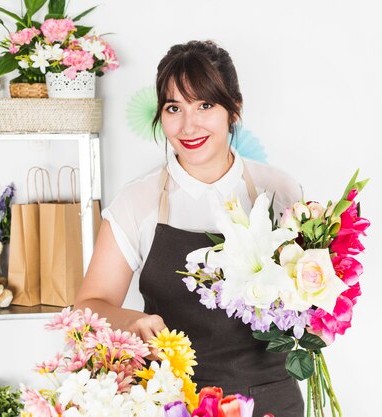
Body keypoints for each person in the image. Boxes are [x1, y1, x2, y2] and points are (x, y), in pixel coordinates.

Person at [75, 40, 304, 417]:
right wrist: (133, 320)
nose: (188, 125)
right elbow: (88, 306)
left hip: (271, 401)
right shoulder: (138, 202)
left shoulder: (279, 191)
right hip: (174, 402)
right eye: (173, 108)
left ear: (234, 108)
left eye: (205, 105)